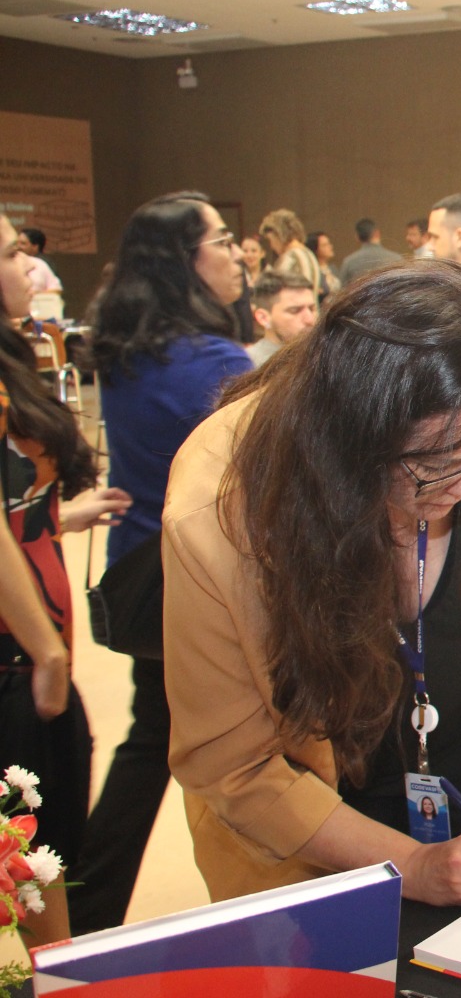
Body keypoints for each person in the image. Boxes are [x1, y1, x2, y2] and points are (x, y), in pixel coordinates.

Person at [164, 260, 461, 903]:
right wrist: (412, 867)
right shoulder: (217, 513)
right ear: (354, 448)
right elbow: (236, 768)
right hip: (315, 819)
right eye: (437, 468)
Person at [73, 192, 255, 933]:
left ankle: (87, 907)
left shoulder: (126, 350)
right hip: (204, 580)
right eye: (223, 240)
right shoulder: (214, 360)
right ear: (186, 259)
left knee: (150, 741)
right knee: (235, 751)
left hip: (140, 572)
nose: (238, 253)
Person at [0, 213, 130, 944]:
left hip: (31, 659)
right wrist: (46, 653)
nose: (29, 267)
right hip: (17, 662)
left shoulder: (14, 351)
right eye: (11, 254)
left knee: (43, 869)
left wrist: (59, 516)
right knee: (29, 876)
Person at [245, 269, 317, 367]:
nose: (310, 320)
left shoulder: (323, 356)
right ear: (263, 318)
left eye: (312, 309)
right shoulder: (248, 365)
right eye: (294, 311)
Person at [259, 208, 331, 302]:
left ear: (278, 234)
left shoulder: (290, 257)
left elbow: (277, 292)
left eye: (270, 240)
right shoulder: (308, 253)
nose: (271, 246)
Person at [338, 218, 401, 286]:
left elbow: (342, 288)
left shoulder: (349, 262)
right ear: (377, 233)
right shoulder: (396, 259)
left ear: (357, 237)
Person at [307, 229, 342, 301]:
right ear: (315, 249)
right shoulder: (312, 272)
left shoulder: (333, 268)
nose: (330, 247)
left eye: (329, 244)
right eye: (324, 245)